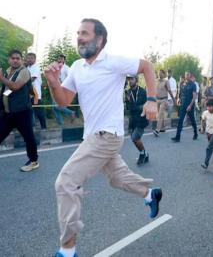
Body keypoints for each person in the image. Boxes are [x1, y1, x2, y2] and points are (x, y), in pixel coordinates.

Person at [44, 18, 161, 257]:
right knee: (117, 179)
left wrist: (151, 100)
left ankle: (68, 250)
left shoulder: (113, 62)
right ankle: (151, 194)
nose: (79, 37)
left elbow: (147, 66)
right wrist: (53, 83)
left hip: (106, 135)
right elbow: (64, 100)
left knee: (65, 183)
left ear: (100, 40)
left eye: (85, 33)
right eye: (78, 33)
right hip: (92, 136)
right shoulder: (77, 67)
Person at [0, 49, 39, 172]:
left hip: (22, 112)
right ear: (9, 59)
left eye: (18, 58)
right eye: (13, 58)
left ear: (21, 60)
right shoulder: (8, 71)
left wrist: (1, 78)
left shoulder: (24, 72)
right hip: (8, 113)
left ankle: (33, 161)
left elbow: (15, 86)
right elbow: (8, 90)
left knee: (28, 137)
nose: (15, 60)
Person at [125, 75, 149, 164]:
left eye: (132, 79)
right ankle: (145, 153)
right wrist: (128, 102)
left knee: (135, 137)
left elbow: (144, 106)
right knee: (133, 138)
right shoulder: (128, 92)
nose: (130, 81)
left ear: (136, 80)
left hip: (141, 119)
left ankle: (142, 154)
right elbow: (128, 108)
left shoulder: (142, 91)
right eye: (128, 79)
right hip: (133, 119)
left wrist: (133, 105)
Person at [171, 71, 198, 142]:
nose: (187, 76)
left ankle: (195, 133)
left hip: (190, 106)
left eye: (188, 75)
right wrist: (178, 99)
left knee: (192, 121)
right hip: (183, 105)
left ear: (190, 75)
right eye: (186, 75)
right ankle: (177, 137)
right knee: (180, 121)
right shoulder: (182, 84)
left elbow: (194, 96)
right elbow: (180, 93)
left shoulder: (193, 84)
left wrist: (190, 105)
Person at [53, 54, 76, 126]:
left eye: (62, 58)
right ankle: (61, 124)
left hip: (62, 89)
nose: (60, 59)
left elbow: (71, 77)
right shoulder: (55, 67)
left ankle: (71, 113)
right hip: (55, 88)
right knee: (54, 108)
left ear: (64, 60)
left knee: (56, 106)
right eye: (59, 58)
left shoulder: (66, 68)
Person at [26, 52, 47, 129]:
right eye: (28, 58)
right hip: (28, 94)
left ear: (35, 59)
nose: (29, 59)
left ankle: (44, 128)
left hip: (35, 94)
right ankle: (32, 127)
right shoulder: (28, 68)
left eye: (31, 58)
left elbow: (32, 79)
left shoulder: (36, 67)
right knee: (29, 112)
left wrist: (20, 84)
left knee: (39, 111)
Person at [153, 69, 175, 137]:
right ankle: (162, 128)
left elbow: (169, 91)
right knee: (160, 115)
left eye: (161, 73)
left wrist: (174, 99)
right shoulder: (156, 81)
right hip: (157, 100)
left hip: (164, 100)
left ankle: (157, 130)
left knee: (160, 114)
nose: (160, 74)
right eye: (159, 73)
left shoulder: (166, 81)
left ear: (164, 74)